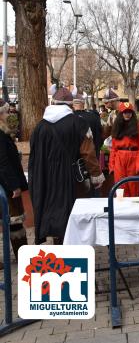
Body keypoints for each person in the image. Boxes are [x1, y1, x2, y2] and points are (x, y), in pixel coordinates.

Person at [29, 86, 104, 244]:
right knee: (70, 214)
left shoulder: (40, 126)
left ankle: (59, 251)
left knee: (52, 212)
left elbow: (35, 155)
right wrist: (96, 176)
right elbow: (88, 153)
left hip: (44, 177)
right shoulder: (78, 123)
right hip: (69, 178)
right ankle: (70, 254)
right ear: (70, 105)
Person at [0, 98, 28, 265]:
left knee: (13, 222)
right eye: (4, 112)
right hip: (5, 185)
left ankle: (22, 255)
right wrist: (14, 185)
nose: (7, 114)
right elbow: (2, 162)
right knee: (14, 221)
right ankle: (23, 257)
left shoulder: (4, 132)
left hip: (5, 183)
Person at [109, 102, 139, 197]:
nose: (127, 114)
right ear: (120, 113)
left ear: (132, 113)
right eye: (125, 112)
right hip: (119, 159)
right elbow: (113, 149)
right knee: (120, 187)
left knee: (134, 187)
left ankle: (135, 210)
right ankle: (121, 210)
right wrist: (112, 165)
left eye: (129, 112)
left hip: (133, 158)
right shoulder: (117, 127)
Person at [73, 91, 103, 158]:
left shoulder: (68, 118)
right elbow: (99, 137)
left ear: (73, 104)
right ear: (83, 104)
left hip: (73, 158)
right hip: (91, 155)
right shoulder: (94, 117)